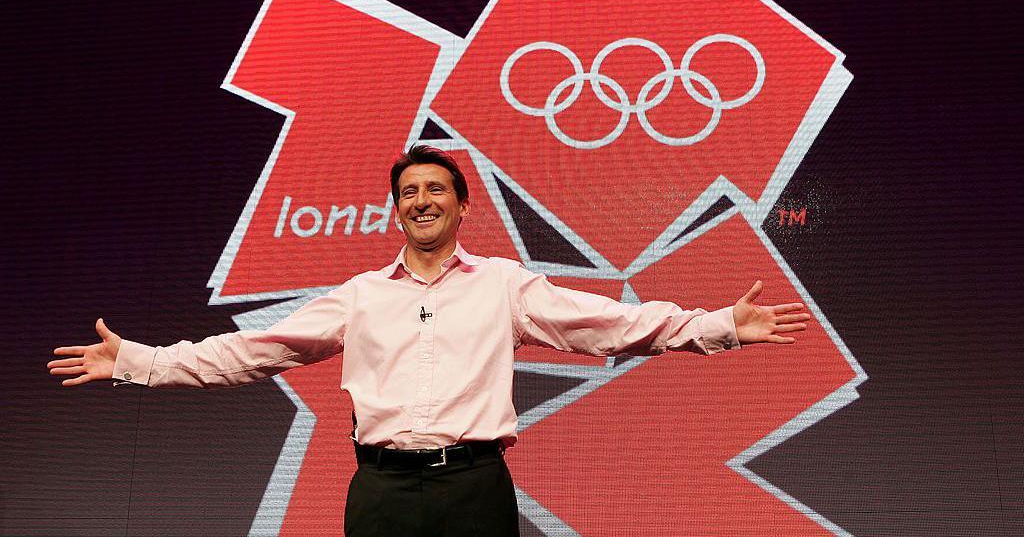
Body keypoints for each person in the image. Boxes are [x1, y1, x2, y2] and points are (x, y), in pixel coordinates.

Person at [48, 144, 810, 536]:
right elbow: (249, 354)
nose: (420, 201)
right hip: (379, 492)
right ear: (395, 211)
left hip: (472, 488)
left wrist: (717, 328)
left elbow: (611, 324)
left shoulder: (503, 285)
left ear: (461, 207)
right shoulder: (359, 297)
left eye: (435, 190)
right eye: (408, 192)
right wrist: (138, 362)